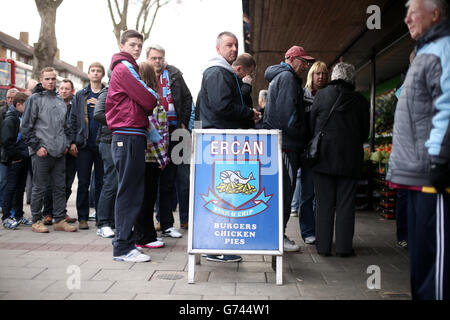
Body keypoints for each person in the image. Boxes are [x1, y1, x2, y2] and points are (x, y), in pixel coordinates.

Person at [386, 0, 450, 300]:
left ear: (435, 13)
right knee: (422, 259)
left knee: (434, 264)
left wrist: (439, 158)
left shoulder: (444, 49)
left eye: (414, 10)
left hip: (430, 173)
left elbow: (446, 106)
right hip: (413, 174)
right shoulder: (424, 52)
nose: (406, 17)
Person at [197, 31, 260, 263]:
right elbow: (221, 106)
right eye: (228, 45)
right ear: (218, 49)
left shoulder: (220, 71)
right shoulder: (217, 72)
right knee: (223, 195)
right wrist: (248, 113)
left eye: (235, 45)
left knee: (222, 194)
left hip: (220, 140)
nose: (233, 49)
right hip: (220, 141)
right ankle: (218, 247)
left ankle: (216, 246)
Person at [105, 29, 158, 263]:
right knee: (129, 192)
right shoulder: (124, 68)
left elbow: (146, 101)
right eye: (132, 45)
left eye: (139, 45)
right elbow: (150, 99)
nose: (136, 49)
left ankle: (125, 244)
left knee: (131, 190)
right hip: (127, 133)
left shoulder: (128, 67)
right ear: (121, 45)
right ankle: (123, 247)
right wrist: (149, 99)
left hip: (131, 133)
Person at [310, 62, 369, 257]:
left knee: (324, 204)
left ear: (334, 76)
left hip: (323, 158)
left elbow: (313, 127)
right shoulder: (360, 100)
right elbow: (364, 134)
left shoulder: (322, 95)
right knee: (345, 204)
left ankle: (323, 247)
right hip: (350, 160)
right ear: (352, 78)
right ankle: (344, 248)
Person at [263, 45, 315, 252]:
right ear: (291, 59)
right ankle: (279, 236)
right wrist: (302, 133)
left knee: (283, 189)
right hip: (287, 145)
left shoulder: (281, 77)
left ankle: (277, 234)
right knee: (286, 190)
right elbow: (288, 115)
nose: (305, 65)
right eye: (303, 61)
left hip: (283, 143)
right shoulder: (287, 78)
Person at [21, 67, 76, 233]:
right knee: (39, 188)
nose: (51, 82)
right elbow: (25, 127)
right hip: (42, 153)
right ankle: (36, 220)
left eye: (53, 79)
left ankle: (59, 219)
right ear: (41, 79)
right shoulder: (34, 99)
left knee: (60, 187)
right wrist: (37, 147)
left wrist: (66, 145)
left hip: (59, 152)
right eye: (47, 79)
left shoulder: (60, 100)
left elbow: (66, 127)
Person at [146, 44, 192, 236]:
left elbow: (187, 98)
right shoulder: (142, 74)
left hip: (173, 132)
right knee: (149, 179)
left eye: (160, 58)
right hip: (150, 134)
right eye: (154, 58)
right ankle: (148, 224)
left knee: (169, 179)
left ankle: (166, 223)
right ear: (147, 59)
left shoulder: (174, 74)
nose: (157, 61)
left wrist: (182, 122)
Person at [291, 61, 329, 245]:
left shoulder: (330, 96)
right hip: (307, 152)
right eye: (317, 74)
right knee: (307, 194)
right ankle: (307, 231)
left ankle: (321, 229)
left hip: (325, 152)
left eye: (323, 74)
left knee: (321, 196)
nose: (320, 77)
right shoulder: (303, 95)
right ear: (311, 76)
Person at [133, 61, 167, 249]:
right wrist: (162, 157)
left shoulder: (140, 97)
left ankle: (146, 234)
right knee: (146, 198)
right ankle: (142, 237)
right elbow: (155, 133)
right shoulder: (150, 99)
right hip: (151, 156)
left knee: (145, 198)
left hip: (145, 156)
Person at [70, 63, 105, 230]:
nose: (95, 73)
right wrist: (73, 142)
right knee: (83, 182)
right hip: (84, 145)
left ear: (102, 74)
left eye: (98, 71)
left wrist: (100, 103)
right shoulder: (80, 95)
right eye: (93, 71)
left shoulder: (108, 93)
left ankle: (101, 216)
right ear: (89, 74)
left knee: (101, 183)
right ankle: (82, 218)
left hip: (102, 144)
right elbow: (73, 120)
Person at [42, 79, 78, 225]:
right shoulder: (53, 104)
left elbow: (75, 126)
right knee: (51, 184)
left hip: (71, 151)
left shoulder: (75, 106)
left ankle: (61, 212)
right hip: (55, 150)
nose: (63, 91)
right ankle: (48, 213)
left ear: (72, 91)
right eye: (61, 88)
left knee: (67, 184)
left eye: (67, 89)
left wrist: (71, 144)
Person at [1, 92, 32, 229]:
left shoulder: (21, 117)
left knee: (20, 189)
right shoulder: (11, 119)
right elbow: (7, 142)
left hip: (22, 158)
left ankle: (19, 215)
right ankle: (6, 217)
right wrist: (17, 156)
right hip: (15, 160)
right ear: (18, 104)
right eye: (27, 105)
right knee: (11, 188)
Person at [93, 72, 116, 238]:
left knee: (118, 183)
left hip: (119, 141)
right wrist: (121, 121)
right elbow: (98, 114)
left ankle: (113, 221)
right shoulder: (107, 92)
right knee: (111, 181)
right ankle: (103, 223)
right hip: (108, 141)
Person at [0, 88, 18, 211]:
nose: (10, 100)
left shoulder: (20, 113)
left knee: (13, 182)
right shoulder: (1, 112)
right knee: (3, 180)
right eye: (8, 98)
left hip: (15, 152)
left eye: (13, 98)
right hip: (3, 152)